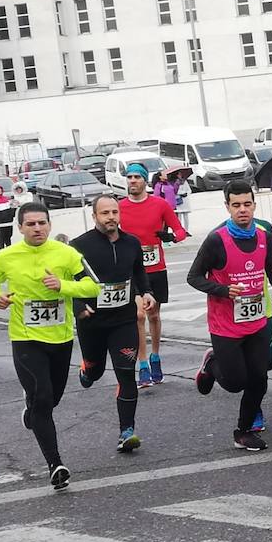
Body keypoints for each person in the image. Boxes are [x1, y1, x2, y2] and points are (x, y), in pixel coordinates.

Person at [0, 202, 100, 489]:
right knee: (43, 397)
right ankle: (55, 464)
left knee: (51, 400)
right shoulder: (7, 256)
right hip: (25, 338)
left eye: (42, 223)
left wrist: (63, 286)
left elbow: (94, 286)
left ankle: (31, 409)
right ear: (20, 227)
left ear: (49, 225)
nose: (37, 228)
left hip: (60, 338)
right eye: (31, 224)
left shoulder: (67, 253)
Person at [189, 181, 272, 451]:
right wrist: (222, 290)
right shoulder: (216, 240)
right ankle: (211, 365)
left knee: (259, 379)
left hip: (255, 321)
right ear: (227, 207)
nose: (242, 210)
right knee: (235, 383)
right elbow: (193, 277)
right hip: (225, 325)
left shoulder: (263, 234)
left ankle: (243, 432)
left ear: (254, 205)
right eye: (236, 205)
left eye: (247, 204)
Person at [71, 195, 154, 453]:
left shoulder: (132, 243)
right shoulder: (79, 246)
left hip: (123, 320)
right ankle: (87, 368)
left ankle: (126, 431)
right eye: (105, 213)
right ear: (94, 216)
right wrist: (78, 307)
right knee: (95, 373)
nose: (111, 217)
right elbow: (71, 280)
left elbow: (138, 271)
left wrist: (147, 292)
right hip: (93, 322)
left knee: (126, 375)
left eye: (115, 212)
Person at [118, 162, 188, 390]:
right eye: (129, 177)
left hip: (156, 268)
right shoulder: (119, 207)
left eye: (137, 177)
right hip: (131, 270)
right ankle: (143, 364)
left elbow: (180, 231)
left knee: (154, 316)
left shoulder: (159, 205)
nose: (132, 181)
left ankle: (156, 356)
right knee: (138, 315)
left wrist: (170, 237)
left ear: (145, 180)